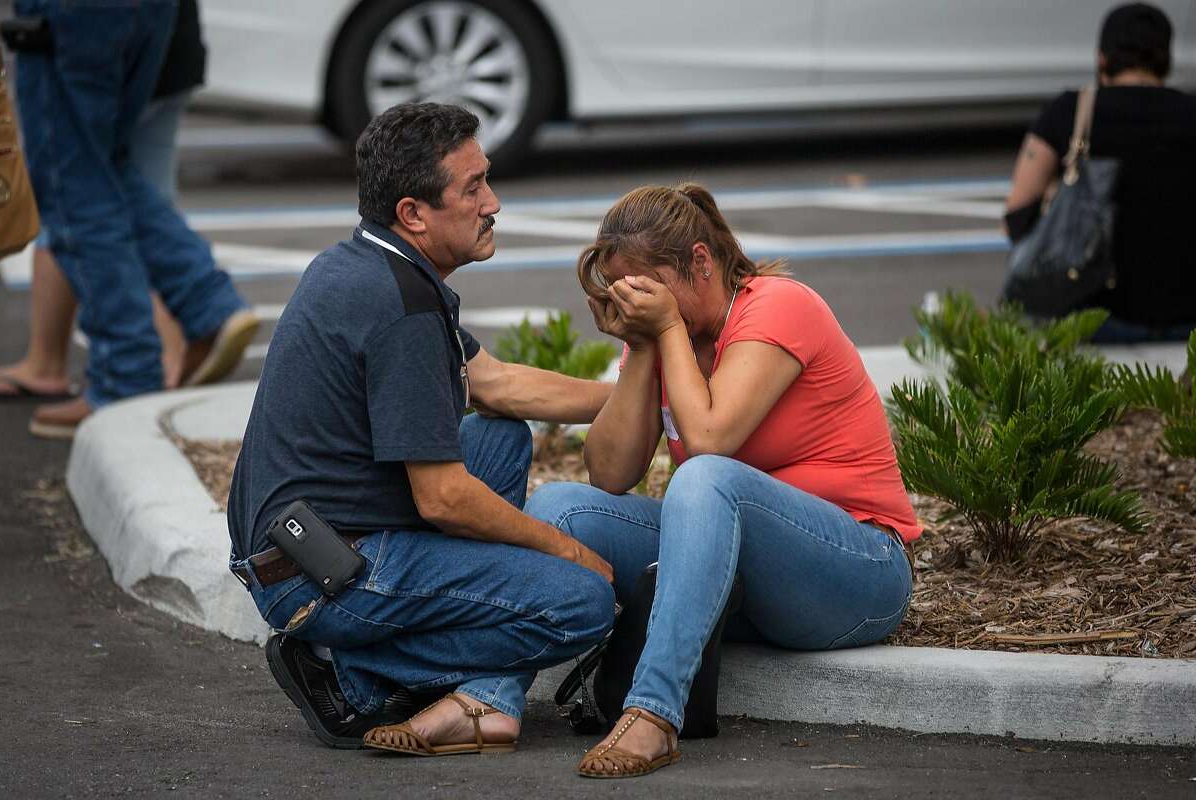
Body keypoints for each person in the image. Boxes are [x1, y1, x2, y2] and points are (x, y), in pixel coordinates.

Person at [227, 102, 616, 754]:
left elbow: (497, 385)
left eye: (486, 178)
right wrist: (564, 549)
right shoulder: (400, 307)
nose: (492, 202)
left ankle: (465, 689)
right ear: (413, 214)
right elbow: (443, 498)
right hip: (319, 576)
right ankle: (352, 672)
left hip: (300, 545)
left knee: (500, 435)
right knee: (582, 602)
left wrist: (646, 396)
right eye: (472, 189)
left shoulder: (366, 263)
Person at [523, 183, 921, 778]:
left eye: (643, 289)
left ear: (700, 264)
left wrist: (667, 335)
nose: (632, 303)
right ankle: (486, 701)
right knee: (561, 506)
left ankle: (654, 714)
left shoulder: (781, 306)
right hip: (745, 580)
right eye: (622, 292)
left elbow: (711, 440)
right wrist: (642, 345)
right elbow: (609, 471)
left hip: (857, 571)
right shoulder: (663, 335)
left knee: (706, 477)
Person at [10, 0, 257, 437]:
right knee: (106, 165)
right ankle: (206, 304)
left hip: (74, 14)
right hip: (152, 11)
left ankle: (127, 373)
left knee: (73, 184)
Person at [1004, 2, 1196, 343]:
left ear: (1102, 59)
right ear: (1165, 59)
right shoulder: (1189, 113)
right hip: (1187, 322)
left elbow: (1016, 218)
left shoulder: (1069, 112)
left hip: (1095, 321)